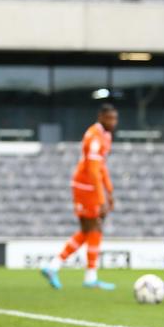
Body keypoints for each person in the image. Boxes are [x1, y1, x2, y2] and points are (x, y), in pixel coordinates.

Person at [41, 104, 119, 291]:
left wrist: (110, 190)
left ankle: (54, 267)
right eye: (109, 118)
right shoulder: (93, 136)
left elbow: (102, 166)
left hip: (92, 187)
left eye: (115, 119)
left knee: (88, 230)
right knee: (94, 227)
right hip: (86, 186)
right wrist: (101, 198)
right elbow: (92, 171)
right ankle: (89, 277)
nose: (113, 123)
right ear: (100, 117)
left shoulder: (106, 135)